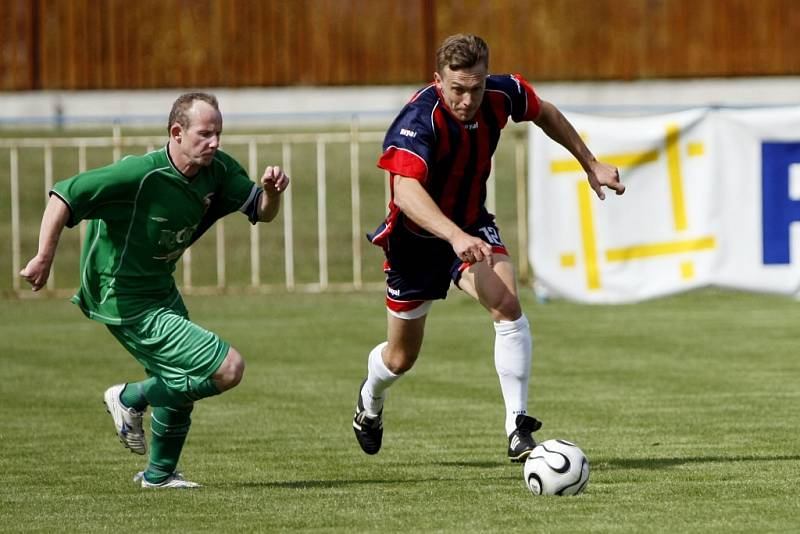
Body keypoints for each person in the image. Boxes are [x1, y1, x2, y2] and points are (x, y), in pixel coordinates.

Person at [352, 34, 624, 462]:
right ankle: (370, 399)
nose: (467, 99)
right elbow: (405, 192)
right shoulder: (418, 118)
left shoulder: (502, 93)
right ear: (438, 81)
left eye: (475, 88)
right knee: (401, 358)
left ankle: (517, 426)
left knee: (507, 304)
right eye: (457, 89)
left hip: (472, 226)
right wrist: (453, 236)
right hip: (416, 241)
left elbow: (546, 113)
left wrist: (589, 163)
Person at [20, 92, 290, 488]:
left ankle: (159, 475)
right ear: (176, 132)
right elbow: (65, 193)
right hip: (121, 295)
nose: (214, 142)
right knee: (228, 368)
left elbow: (261, 213)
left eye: (218, 133)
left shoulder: (217, 170)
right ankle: (130, 397)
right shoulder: (140, 175)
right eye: (204, 133)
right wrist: (44, 256)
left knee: (179, 377)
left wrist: (273, 193)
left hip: (159, 288)